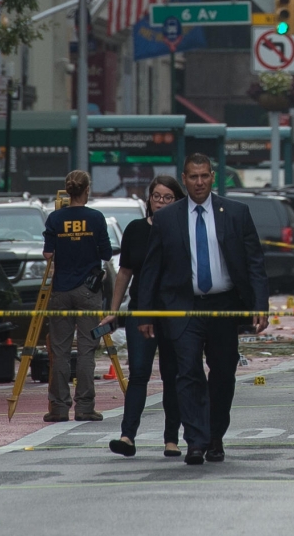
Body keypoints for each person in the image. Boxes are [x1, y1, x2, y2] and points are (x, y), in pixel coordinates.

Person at [137, 154, 269, 466]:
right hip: (184, 305)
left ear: (212, 177)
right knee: (188, 372)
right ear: (184, 179)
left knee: (223, 372)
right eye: (193, 177)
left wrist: (260, 305)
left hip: (224, 306)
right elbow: (151, 269)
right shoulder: (168, 218)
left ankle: (215, 436)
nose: (199, 182)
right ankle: (195, 440)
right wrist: (144, 312)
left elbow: (254, 263)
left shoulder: (236, 213)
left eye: (204, 176)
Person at [103, 175, 185, 458]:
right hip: (140, 309)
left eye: (167, 197)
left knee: (171, 376)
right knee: (138, 373)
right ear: (149, 199)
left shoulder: (182, 228)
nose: (160, 202)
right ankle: (127, 436)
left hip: (173, 311)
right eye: (156, 196)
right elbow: (124, 273)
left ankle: (171, 439)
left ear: (177, 200)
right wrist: (113, 312)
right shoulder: (136, 230)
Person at [42, 170, 113, 422]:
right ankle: (84, 406)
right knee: (86, 349)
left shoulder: (55, 218)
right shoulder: (95, 218)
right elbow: (106, 253)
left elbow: (48, 255)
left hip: (61, 289)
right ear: (87, 190)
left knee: (59, 351)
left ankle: (59, 407)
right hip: (88, 290)